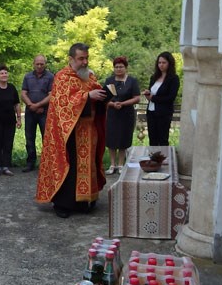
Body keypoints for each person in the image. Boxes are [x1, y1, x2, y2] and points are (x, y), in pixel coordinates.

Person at [35, 43, 107, 218]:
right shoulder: (62, 77)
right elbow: (63, 105)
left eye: (86, 58)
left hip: (88, 131)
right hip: (67, 133)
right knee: (68, 166)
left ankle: (82, 202)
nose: (84, 62)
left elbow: (97, 94)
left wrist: (102, 96)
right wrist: (87, 96)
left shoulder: (89, 77)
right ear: (71, 59)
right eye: (81, 58)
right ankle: (63, 204)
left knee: (85, 166)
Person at [103, 56, 141, 174]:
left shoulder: (132, 81)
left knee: (123, 138)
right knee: (111, 139)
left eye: (121, 67)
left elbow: (137, 98)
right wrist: (112, 104)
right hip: (112, 114)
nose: (118, 69)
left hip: (126, 114)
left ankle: (121, 164)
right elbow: (104, 98)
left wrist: (123, 103)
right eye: (116, 67)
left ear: (126, 68)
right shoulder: (109, 81)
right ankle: (112, 164)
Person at [20, 54, 54, 172]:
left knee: (47, 138)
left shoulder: (50, 77)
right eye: (37, 64)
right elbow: (23, 93)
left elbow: (51, 95)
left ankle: (47, 164)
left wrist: (38, 105)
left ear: (45, 64)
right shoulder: (27, 77)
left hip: (44, 112)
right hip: (30, 112)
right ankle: (30, 163)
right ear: (33, 64)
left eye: (42, 64)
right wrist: (31, 105)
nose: (39, 66)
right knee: (29, 138)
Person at [142, 51, 180, 146]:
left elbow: (170, 97)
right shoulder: (154, 77)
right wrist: (148, 94)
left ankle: (163, 160)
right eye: (159, 62)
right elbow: (152, 95)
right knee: (152, 139)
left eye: (164, 62)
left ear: (169, 63)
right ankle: (153, 159)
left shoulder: (173, 78)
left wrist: (153, 98)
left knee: (162, 139)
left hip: (164, 113)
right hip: (151, 111)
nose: (161, 65)